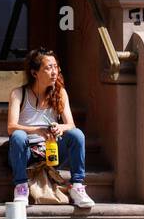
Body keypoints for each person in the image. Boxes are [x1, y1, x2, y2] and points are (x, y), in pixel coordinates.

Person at [7, 48, 94, 208]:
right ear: (34, 73)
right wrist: (37, 130)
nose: (54, 72)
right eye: (48, 68)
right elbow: (11, 127)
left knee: (77, 134)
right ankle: (21, 187)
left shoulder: (60, 93)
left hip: (51, 151)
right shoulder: (19, 93)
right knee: (18, 136)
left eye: (56, 67)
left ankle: (77, 187)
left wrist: (60, 128)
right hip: (26, 154)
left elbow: (71, 124)